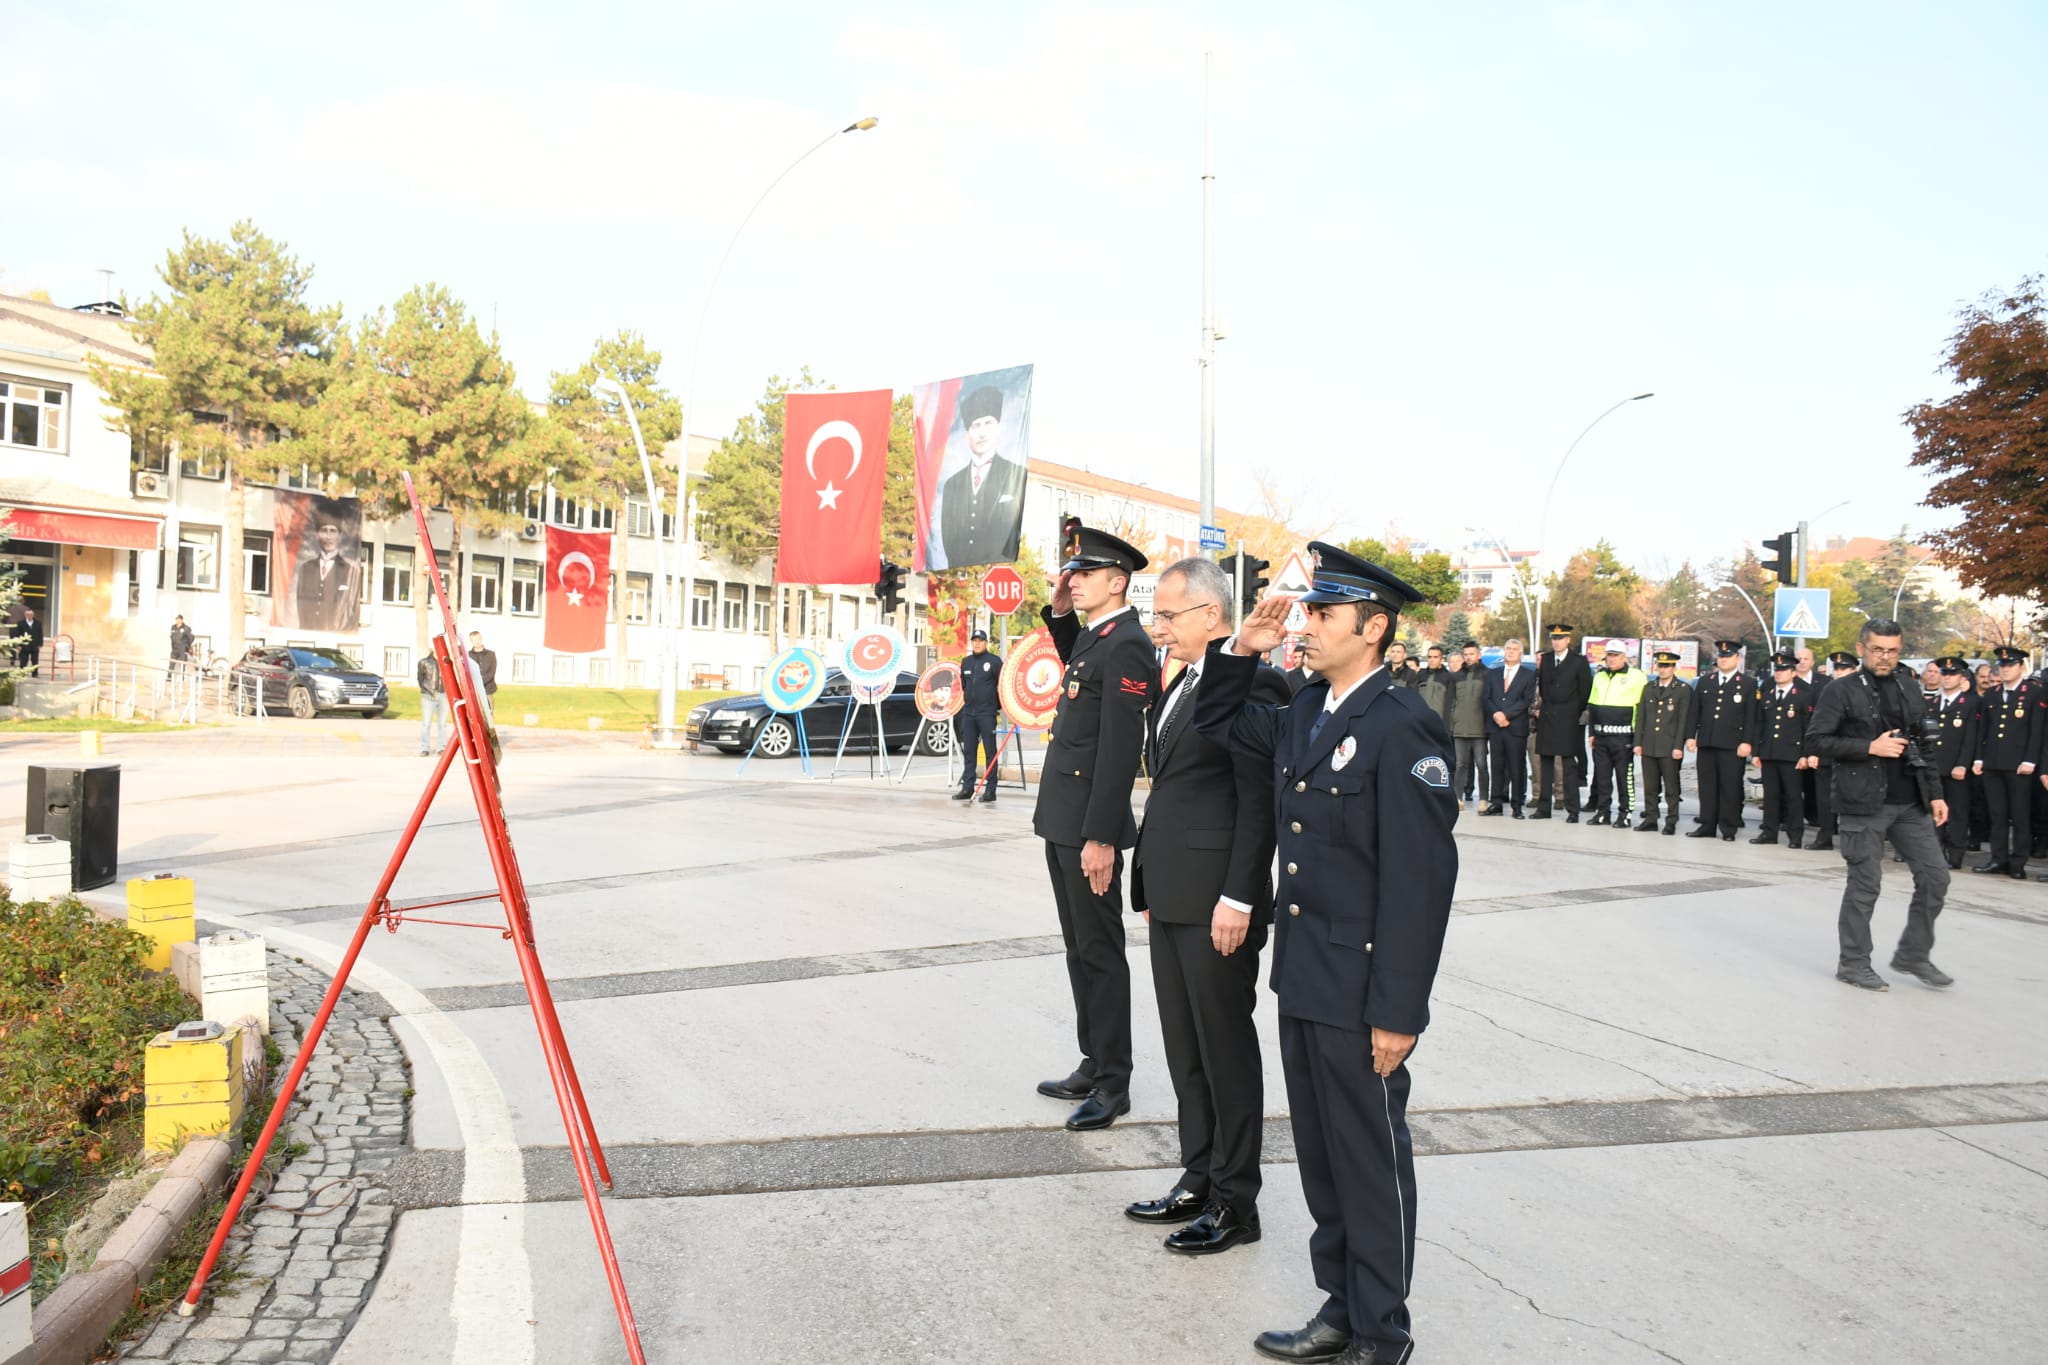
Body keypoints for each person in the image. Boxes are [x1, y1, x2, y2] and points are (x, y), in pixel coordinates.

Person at [1191, 544, 1458, 1365]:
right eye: (1305, 613)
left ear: (1373, 628)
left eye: (1322, 615)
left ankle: (1383, 1331)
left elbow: (1420, 882)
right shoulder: (1308, 708)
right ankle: (1340, 1307)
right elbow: (1220, 725)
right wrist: (1242, 651)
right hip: (1306, 972)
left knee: (1370, 1162)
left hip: (1363, 985)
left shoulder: (1402, 723)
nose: (1303, 628)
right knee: (1322, 1158)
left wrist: (1398, 1011)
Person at [1126, 557, 1285, 1255]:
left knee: (1224, 1049)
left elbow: (1257, 803)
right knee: (1186, 1046)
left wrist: (1239, 894)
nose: (1158, 627)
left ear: (1211, 616)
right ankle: (1198, 1175)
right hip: (1173, 892)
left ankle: (1236, 1200)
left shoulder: (1258, 680)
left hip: (1220, 898)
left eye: (1168, 614)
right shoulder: (1179, 680)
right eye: (1156, 614)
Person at [1032, 525, 1155, 1131]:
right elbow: (1079, 673)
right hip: (1063, 820)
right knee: (1079, 948)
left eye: (1083, 575)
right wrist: (1058, 618)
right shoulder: (1097, 638)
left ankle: (1114, 1081)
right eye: (1071, 573)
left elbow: (1118, 747)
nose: (1072, 581)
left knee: (1101, 953)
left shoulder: (1129, 643)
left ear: (1117, 582)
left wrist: (1102, 836)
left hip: (1089, 828)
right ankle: (1093, 1058)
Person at [1808, 619, 1952, 991]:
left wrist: (1935, 793)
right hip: (1863, 802)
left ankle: (1913, 954)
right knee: (1865, 884)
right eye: (1877, 650)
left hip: (1911, 802)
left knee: (1936, 877)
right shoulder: (1839, 691)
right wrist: (1869, 747)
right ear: (1862, 649)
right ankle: (1853, 963)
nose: (1885, 657)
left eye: (1892, 651)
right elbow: (1817, 741)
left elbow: (1924, 743)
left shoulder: (1908, 685)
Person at [936, 386, 1028, 568]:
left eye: (988, 423)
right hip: (962, 573)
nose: (982, 433)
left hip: (999, 568)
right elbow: (948, 537)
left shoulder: (1014, 474)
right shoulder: (952, 485)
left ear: (998, 428)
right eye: (976, 426)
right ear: (967, 434)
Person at [1971, 645, 2041, 880]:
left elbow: (2037, 731)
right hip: (1993, 761)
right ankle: (1998, 858)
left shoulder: (2033, 693)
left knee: (2020, 815)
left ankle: (2018, 861)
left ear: (2021, 667)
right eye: (2002, 665)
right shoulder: (1992, 693)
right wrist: (1979, 757)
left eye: (2010, 665)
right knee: (1997, 814)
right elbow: (1984, 729)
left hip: (2019, 763)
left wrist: (2030, 760)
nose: (2005, 669)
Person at [1687, 641, 1754, 840]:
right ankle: (1707, 824)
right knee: (1707, 786)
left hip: (1732, 745)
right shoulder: (1706, 681)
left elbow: (1751, 717)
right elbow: (1695, 712)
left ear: (1737, 659)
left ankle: (1728, 827)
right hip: (1707, 742)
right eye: (1721, 656)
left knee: (1729, 787)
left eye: (1728, 656)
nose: (1723, 660)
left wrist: (1747, 741)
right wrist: (1691, 736)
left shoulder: (1748, 684)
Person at [1749, 651, 1816, 847]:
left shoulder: (1803, 696)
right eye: (1777, 669)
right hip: (1769, 753)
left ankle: (1795, 835)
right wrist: (1757, 752)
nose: (1779, 673)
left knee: (1793, 796)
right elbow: (1759, 724)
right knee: (1771, 796)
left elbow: (1807, 728)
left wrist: (1805, 754)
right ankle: (1769, 832)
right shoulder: (1768, 695)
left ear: (1793, 673)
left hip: (1791, 754)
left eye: (1784, 669)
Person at [1533, 624, 1591, 822]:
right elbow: (1543, 687)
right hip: (1548, 716)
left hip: (1568, 717)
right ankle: (1543, 808)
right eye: (1553, 638)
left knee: (1568, 766)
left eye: (1560, 638)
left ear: (1568, 640)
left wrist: (1572, 710)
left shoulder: (1579, 661)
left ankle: (1572, 809)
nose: (1556, 642)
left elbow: (1584, 691)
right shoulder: (1547, 660)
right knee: (1545, 764)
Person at [1585, 643, 1646, 827]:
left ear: (1624, 656)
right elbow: (1592, 706)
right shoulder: (1600, 676)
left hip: (1624, 736)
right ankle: (1602, 812)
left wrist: (1638, 739)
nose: (1611, 659)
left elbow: (1642, 710)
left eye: (1615, 655)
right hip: (1601, 735)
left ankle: (1625, 814)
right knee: (1602, 777)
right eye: (1609, 655)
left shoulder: (1637, 676)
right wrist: (1592, 732)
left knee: (1624, 777)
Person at [1927, 657, 1980, 870]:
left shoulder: (1970, 703)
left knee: (1957, 812)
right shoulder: (1931, 703)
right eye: (1944, 673)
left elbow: (1971, 738)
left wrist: (1963, 764)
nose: (1947, 678)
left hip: (1956, 768)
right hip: (1934, 766)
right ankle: (1936, 851)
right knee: (1934, 811)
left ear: (1961, 677)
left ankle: (1956, 854)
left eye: (1952, 674)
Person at [1634, 649, 1693, 833]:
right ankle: (1651, 819)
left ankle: (1671, 821)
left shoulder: (1682, 690)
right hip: (1649, 744)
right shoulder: (1649, 688)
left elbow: (1683, 720)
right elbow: (1641, 717)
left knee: (1671, 787)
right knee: (1650, 786)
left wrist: (1678, 746)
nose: (1663, 669)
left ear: (1674, 667)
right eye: (1661, 665)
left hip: (1669, 746)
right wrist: (1638, 742)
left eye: (1667, 666)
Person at [1808, 651, 1859, 850]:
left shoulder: (1862, 691)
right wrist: (1813, 751)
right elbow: (1816, 724)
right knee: (1824, 798)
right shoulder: (1826, 690)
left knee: (1850, 799)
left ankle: (1851, 839)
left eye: (1843, 668)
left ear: (1853, 670)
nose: (1838, 672)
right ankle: (1825, 836)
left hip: (1851, 753)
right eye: (1836, 668)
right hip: (1827, 751)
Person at [1480, 639, 1535, 818]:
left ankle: (1517, 805)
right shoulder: (1493, 674)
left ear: (1521, 653)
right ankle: (1496, 802)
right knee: (1497, 766)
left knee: (1516, 767)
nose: (1510, 652)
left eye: (1514, 649)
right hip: (1496, 727)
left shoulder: (1528, 675)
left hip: (1515, 728)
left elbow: (1526, 700)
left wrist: (1507, 715)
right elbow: (1486, 698)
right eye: (1508, 649)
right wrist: (1496, 714)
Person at [951, 630, 1004, 803]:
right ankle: (967, 788)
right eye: (974, 641)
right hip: (969, 713)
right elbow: (965, 685)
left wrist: (995, 706)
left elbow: (1001, 686)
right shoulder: (966, 662)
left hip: (987, 713)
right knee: (969, 752)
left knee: (990, 751)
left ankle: (990, 790)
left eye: (981, 641)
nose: (977, 644)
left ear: (986, 643)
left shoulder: (994, 662)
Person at [291, 515, 359, 631]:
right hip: (309, 629)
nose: (328, 536)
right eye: (324, 531)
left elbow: (353, 607)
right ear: (317, 535)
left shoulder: (350, 571)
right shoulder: (305, 568)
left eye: (333, 531)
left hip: (337, 632)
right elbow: (300, 603)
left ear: (340, 536)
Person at [1447, 643, 1491, 807]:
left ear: (1478, 655)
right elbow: (1452, 702)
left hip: (1479, 729)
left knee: (1481, 765)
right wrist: (1452, 724)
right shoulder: (1457, 676)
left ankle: (1483, 799)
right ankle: (1458, 798)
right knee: (1460, 765)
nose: (1468, 657)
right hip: (1460, 729)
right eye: (1466, 654)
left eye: (1471, 653)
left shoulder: (1487, 674)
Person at [1411, 645, 1452, 727]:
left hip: (1438, 723)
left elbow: (1449, 704)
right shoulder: (1420, 675)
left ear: (1441, 660)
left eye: (1435, 657)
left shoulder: (1448, 677)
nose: (1432, 660)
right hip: (1420, 721)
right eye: (1429, 657)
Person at [417, 651, 448, 756]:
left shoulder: (446, 662)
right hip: (428, 695)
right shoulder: (424, 662)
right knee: (426, 723)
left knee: (442, 723)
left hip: (443, 694)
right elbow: (420, 679)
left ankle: (441, 747)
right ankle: (425, 748)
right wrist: (427, 690)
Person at [9, 607, 43, 676]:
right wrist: (18, 645)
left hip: (34, 645)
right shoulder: (21, 623)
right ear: (25, 615)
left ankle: (35, 674)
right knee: (23, 660)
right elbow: (18, 634)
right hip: (24, 645)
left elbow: (40, 634)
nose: (29, 616)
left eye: (31, 615)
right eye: (28, 615)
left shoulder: (38, 623)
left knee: (35, 661)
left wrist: (40, 644)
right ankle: (22, 673)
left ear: (33, 615)